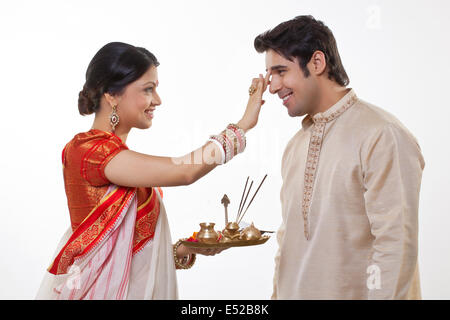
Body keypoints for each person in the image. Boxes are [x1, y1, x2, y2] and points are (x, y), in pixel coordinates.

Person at [36, 42, 268, 299]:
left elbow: (128, 255)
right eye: (148, 89)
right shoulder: (89, 151)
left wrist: (183, 249)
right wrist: (243, 125)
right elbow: (184, 172)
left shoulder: (120, 157)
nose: (157, 100)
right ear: (111, 94)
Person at [254, 16, 425, 299]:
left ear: (317, 63)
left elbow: (396, 246)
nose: (271, 86)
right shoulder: (295, 147)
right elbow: (288, 245)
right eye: (270, 75)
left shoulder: (382, 134)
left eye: (281, 71)